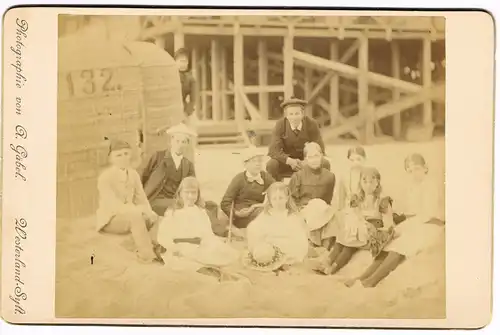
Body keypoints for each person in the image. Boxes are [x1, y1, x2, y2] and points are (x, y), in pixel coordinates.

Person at [344, 153, 445, 288]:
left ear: (425, 168)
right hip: (416, 223)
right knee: (388, 242)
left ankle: (371, 281)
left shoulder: (430, 185)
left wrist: (406, 225)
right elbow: (411, 211)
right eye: (410, 171)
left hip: (430, 225)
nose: (414, 173)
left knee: (401, 245)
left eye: (416, 169)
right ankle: (363, 277)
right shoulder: (413, 187)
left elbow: (428, 214)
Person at [315, 167, 396, 275]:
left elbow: (388, 224)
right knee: (343, 241)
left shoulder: (382, 200)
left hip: (372, 231)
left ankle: (333, 268)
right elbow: (354, 215)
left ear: (377, 182)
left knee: (348, 246)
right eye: (364, 181)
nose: (368, 185)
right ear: (360, 182)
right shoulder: (358, 198)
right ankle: (327, 262)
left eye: (371, 182)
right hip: (359, 229)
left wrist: (376, 232)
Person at [96, 139, 164, 265]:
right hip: (111, 219)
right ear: (111, 158)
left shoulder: (133, 174)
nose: (123, 158)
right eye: (118, 155)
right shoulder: (105, 178)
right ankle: (146, 256)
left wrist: (148, 212)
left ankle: (156, 247)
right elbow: (113, 205)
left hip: (130, 214)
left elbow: (141, 199)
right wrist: (137, 211)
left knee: (155, 217)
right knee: (136, 217)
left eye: (126, 154)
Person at [157, 177, 239, 270]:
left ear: (198, 194)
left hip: (200, 245)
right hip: (180, 247)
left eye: (193, 193)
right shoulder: (173, 212)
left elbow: (207, 234)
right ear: (180, 193)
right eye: (187, 192)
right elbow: (163, 235)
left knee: (225, 253)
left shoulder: (201, 212)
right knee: (188, 261)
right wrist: (173, 247)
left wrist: (211, 242)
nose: (190, 196)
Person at [243, 182, 309, 273]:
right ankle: (273, 262)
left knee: (292, 247)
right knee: (262, 251)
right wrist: (263, 239)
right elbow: (254, 228)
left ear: (287, 198)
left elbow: (298, 236)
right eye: (274, 199)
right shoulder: (267, 214)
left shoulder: (291, 216)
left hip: (287, 243)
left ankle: (283, 262)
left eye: (281, 198)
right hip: (270, 244)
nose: (278, 202)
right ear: (270, 201)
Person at [266, 97, 331, 181]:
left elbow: (320, 148)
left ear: (302, 114)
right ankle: (275, 189)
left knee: (325, 163)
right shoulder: (280, 125)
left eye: (297, 114)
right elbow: (273, 150)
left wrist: (307, 161)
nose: (294, 117)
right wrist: (289, 160)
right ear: (286, 115)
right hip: (286, 162)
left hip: (307, 161)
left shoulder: (311, 124)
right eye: (291, 114)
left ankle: (319, 189)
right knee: (271, 164)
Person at [140, 123, 196, 216]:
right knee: (181, 208)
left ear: (187, 144)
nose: (180, 145)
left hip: (178, 199)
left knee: (207, 207)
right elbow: (144, 177)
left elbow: (192, 184)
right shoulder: (158, 157)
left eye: (183, 142)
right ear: (171, 142)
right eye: (177, 141)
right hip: (156, 198)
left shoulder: (188, 164)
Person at [288, 142, 336, 247]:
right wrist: (298, 213)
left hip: (323, 210)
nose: (314, 160)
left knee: (327, 210)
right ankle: (314, 241)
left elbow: (329, 198)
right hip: (304, 209)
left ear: (322, 156)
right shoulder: (298, 176)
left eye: (316, 156)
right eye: (310, 157)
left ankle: (324, 241)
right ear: (305, 159)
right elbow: (292, 199)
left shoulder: (329, 176)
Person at [220, 146, 275, 234]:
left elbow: (277, 188)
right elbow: (225, 203)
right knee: (265, 215)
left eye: (260, 161)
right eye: (254, 161)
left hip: (259, 210)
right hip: (242, 216)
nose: (258, 164)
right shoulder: (239, 179)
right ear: (245, 164)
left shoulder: (265, 177)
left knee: (271, 212)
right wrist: (237, 213)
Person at [332, 146, 368, 210]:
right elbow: (341, 200)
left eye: (358, 159)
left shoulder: (370, 174)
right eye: (352, 160)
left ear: (364, 159)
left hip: (366, 209)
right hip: (350, 210)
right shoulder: (344, 177)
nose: (355, 163)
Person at [174, 48, 199, 122]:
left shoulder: (190, 79)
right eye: (181, 61)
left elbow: (194, 98)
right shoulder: (169, 76)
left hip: (184, 110)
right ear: (175, 62)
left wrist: (187, 112)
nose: (183, 64)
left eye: (185, 61)